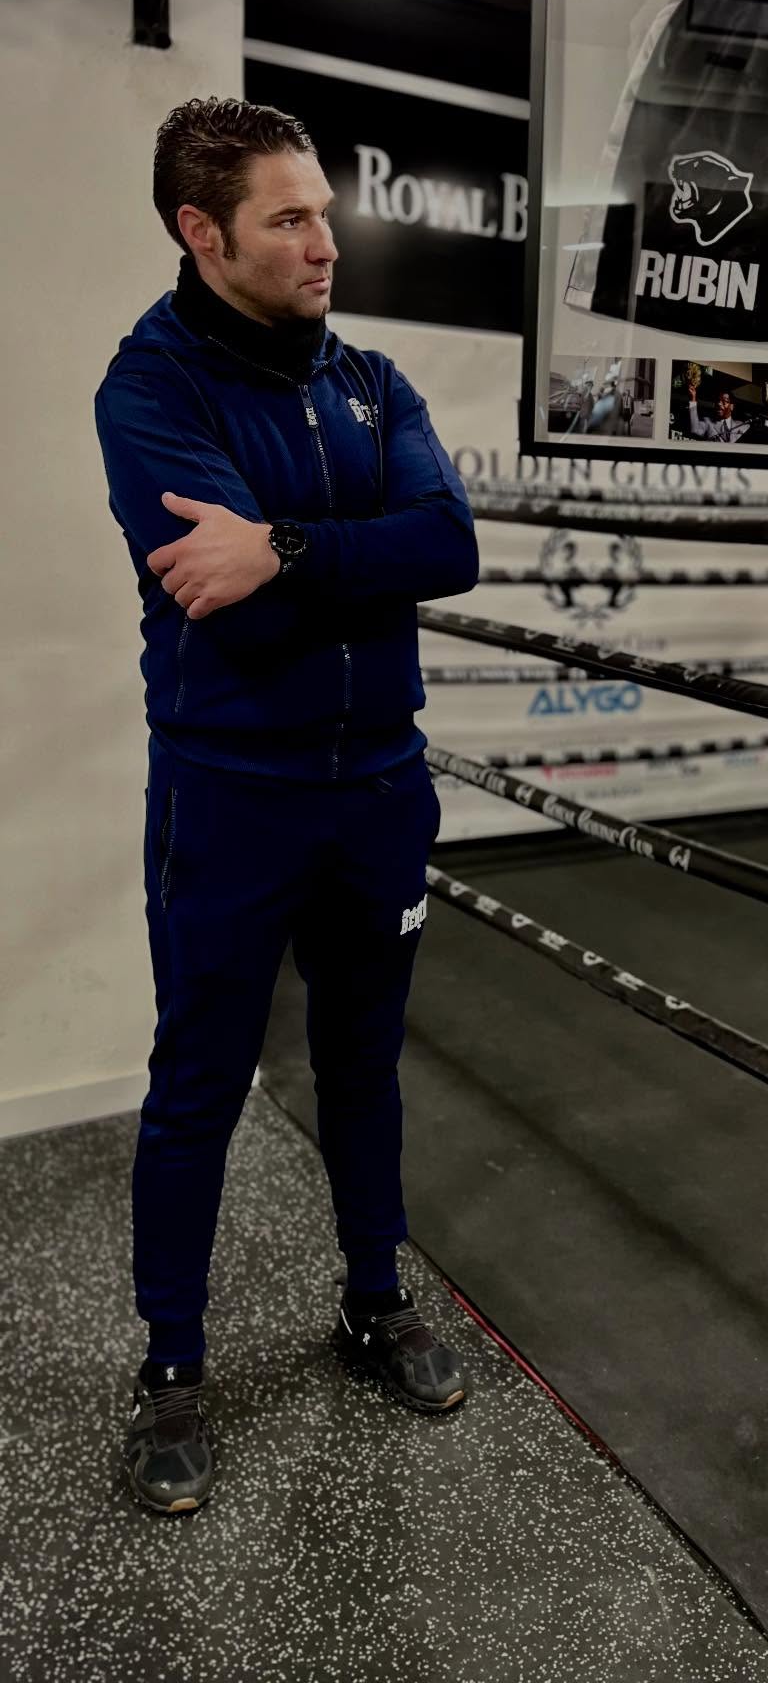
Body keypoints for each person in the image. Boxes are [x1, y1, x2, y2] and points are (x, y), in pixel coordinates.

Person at [93, 97, 481, 1516]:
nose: (326, 240)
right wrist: (333, 564)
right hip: (233, 795)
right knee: (199, 1082)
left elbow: (451, 545)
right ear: (204, 233)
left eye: (323, 209)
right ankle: (174, 1366)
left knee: (368, 1064)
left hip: (379, 787)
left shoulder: (372, 380)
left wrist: (296, 544)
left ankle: (374, 1304)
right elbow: (222, 603)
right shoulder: (151, 391)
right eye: (289, 218)